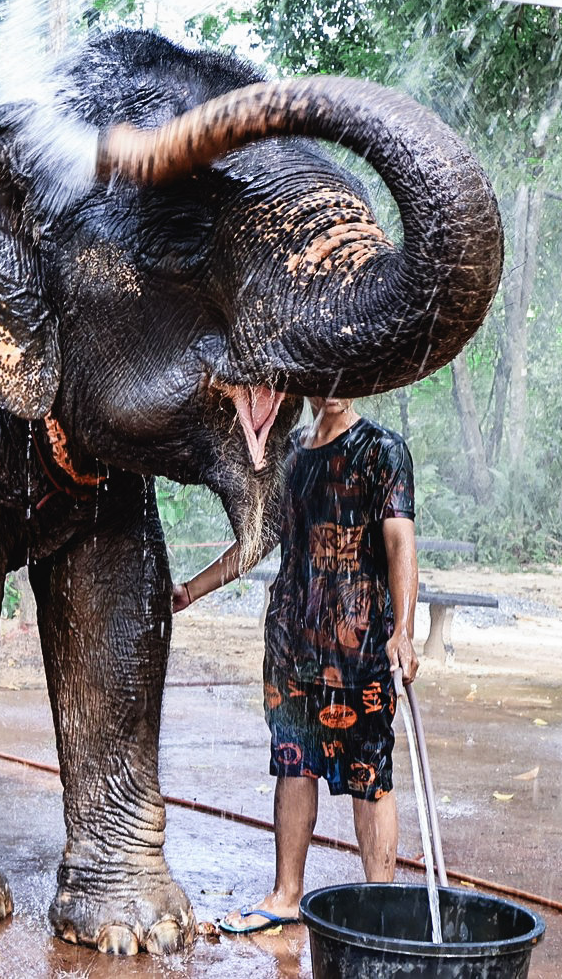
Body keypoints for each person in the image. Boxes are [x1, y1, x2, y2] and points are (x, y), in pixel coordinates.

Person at [174, 395, 418, 934]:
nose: (332, 387)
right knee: (293, 764)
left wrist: (403, 631)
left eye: (344, 374)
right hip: (292, 643)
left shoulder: (382, 451)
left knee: (369, 774)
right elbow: (256, 541)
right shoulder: (288, 456)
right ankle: (287, 894)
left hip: (360, 649)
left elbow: (400, 542)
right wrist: (191, 590)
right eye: (321, 375)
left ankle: (379, 905)